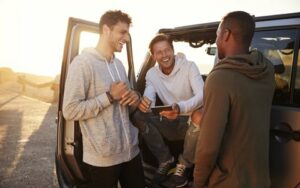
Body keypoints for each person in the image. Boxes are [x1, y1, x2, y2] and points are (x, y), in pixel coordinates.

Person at [62, 10, 145, 188]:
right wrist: (108, 97)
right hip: (102, 159)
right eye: (122, 32)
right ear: (106, 30)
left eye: (128, 33)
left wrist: (135, 97)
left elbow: (127, 106)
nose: (127, 38)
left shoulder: (119, 64)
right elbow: (70, 110)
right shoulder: (83, 63)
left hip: (131, 151)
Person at [193, 11, 275, 188]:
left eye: (216, 35)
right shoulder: (266, 70)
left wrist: (198, 182)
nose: (216, 40)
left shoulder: (220, 78)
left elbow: (208, 147)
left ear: (226, 34)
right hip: (260, 178)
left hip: (228, 181)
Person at [133, 34, 204, 187]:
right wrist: (145, 102)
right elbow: (149, 95)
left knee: (199, 116)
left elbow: (202, 95)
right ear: (154, 56)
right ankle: (165, 160)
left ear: (173, 50)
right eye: (159, 52)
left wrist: (180, 108)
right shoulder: (152, 74)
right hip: (170, 121)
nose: (164, 55)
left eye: (167, 50)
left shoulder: (189, 67)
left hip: (191, 123)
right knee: (140, 115)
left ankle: (183, 166)